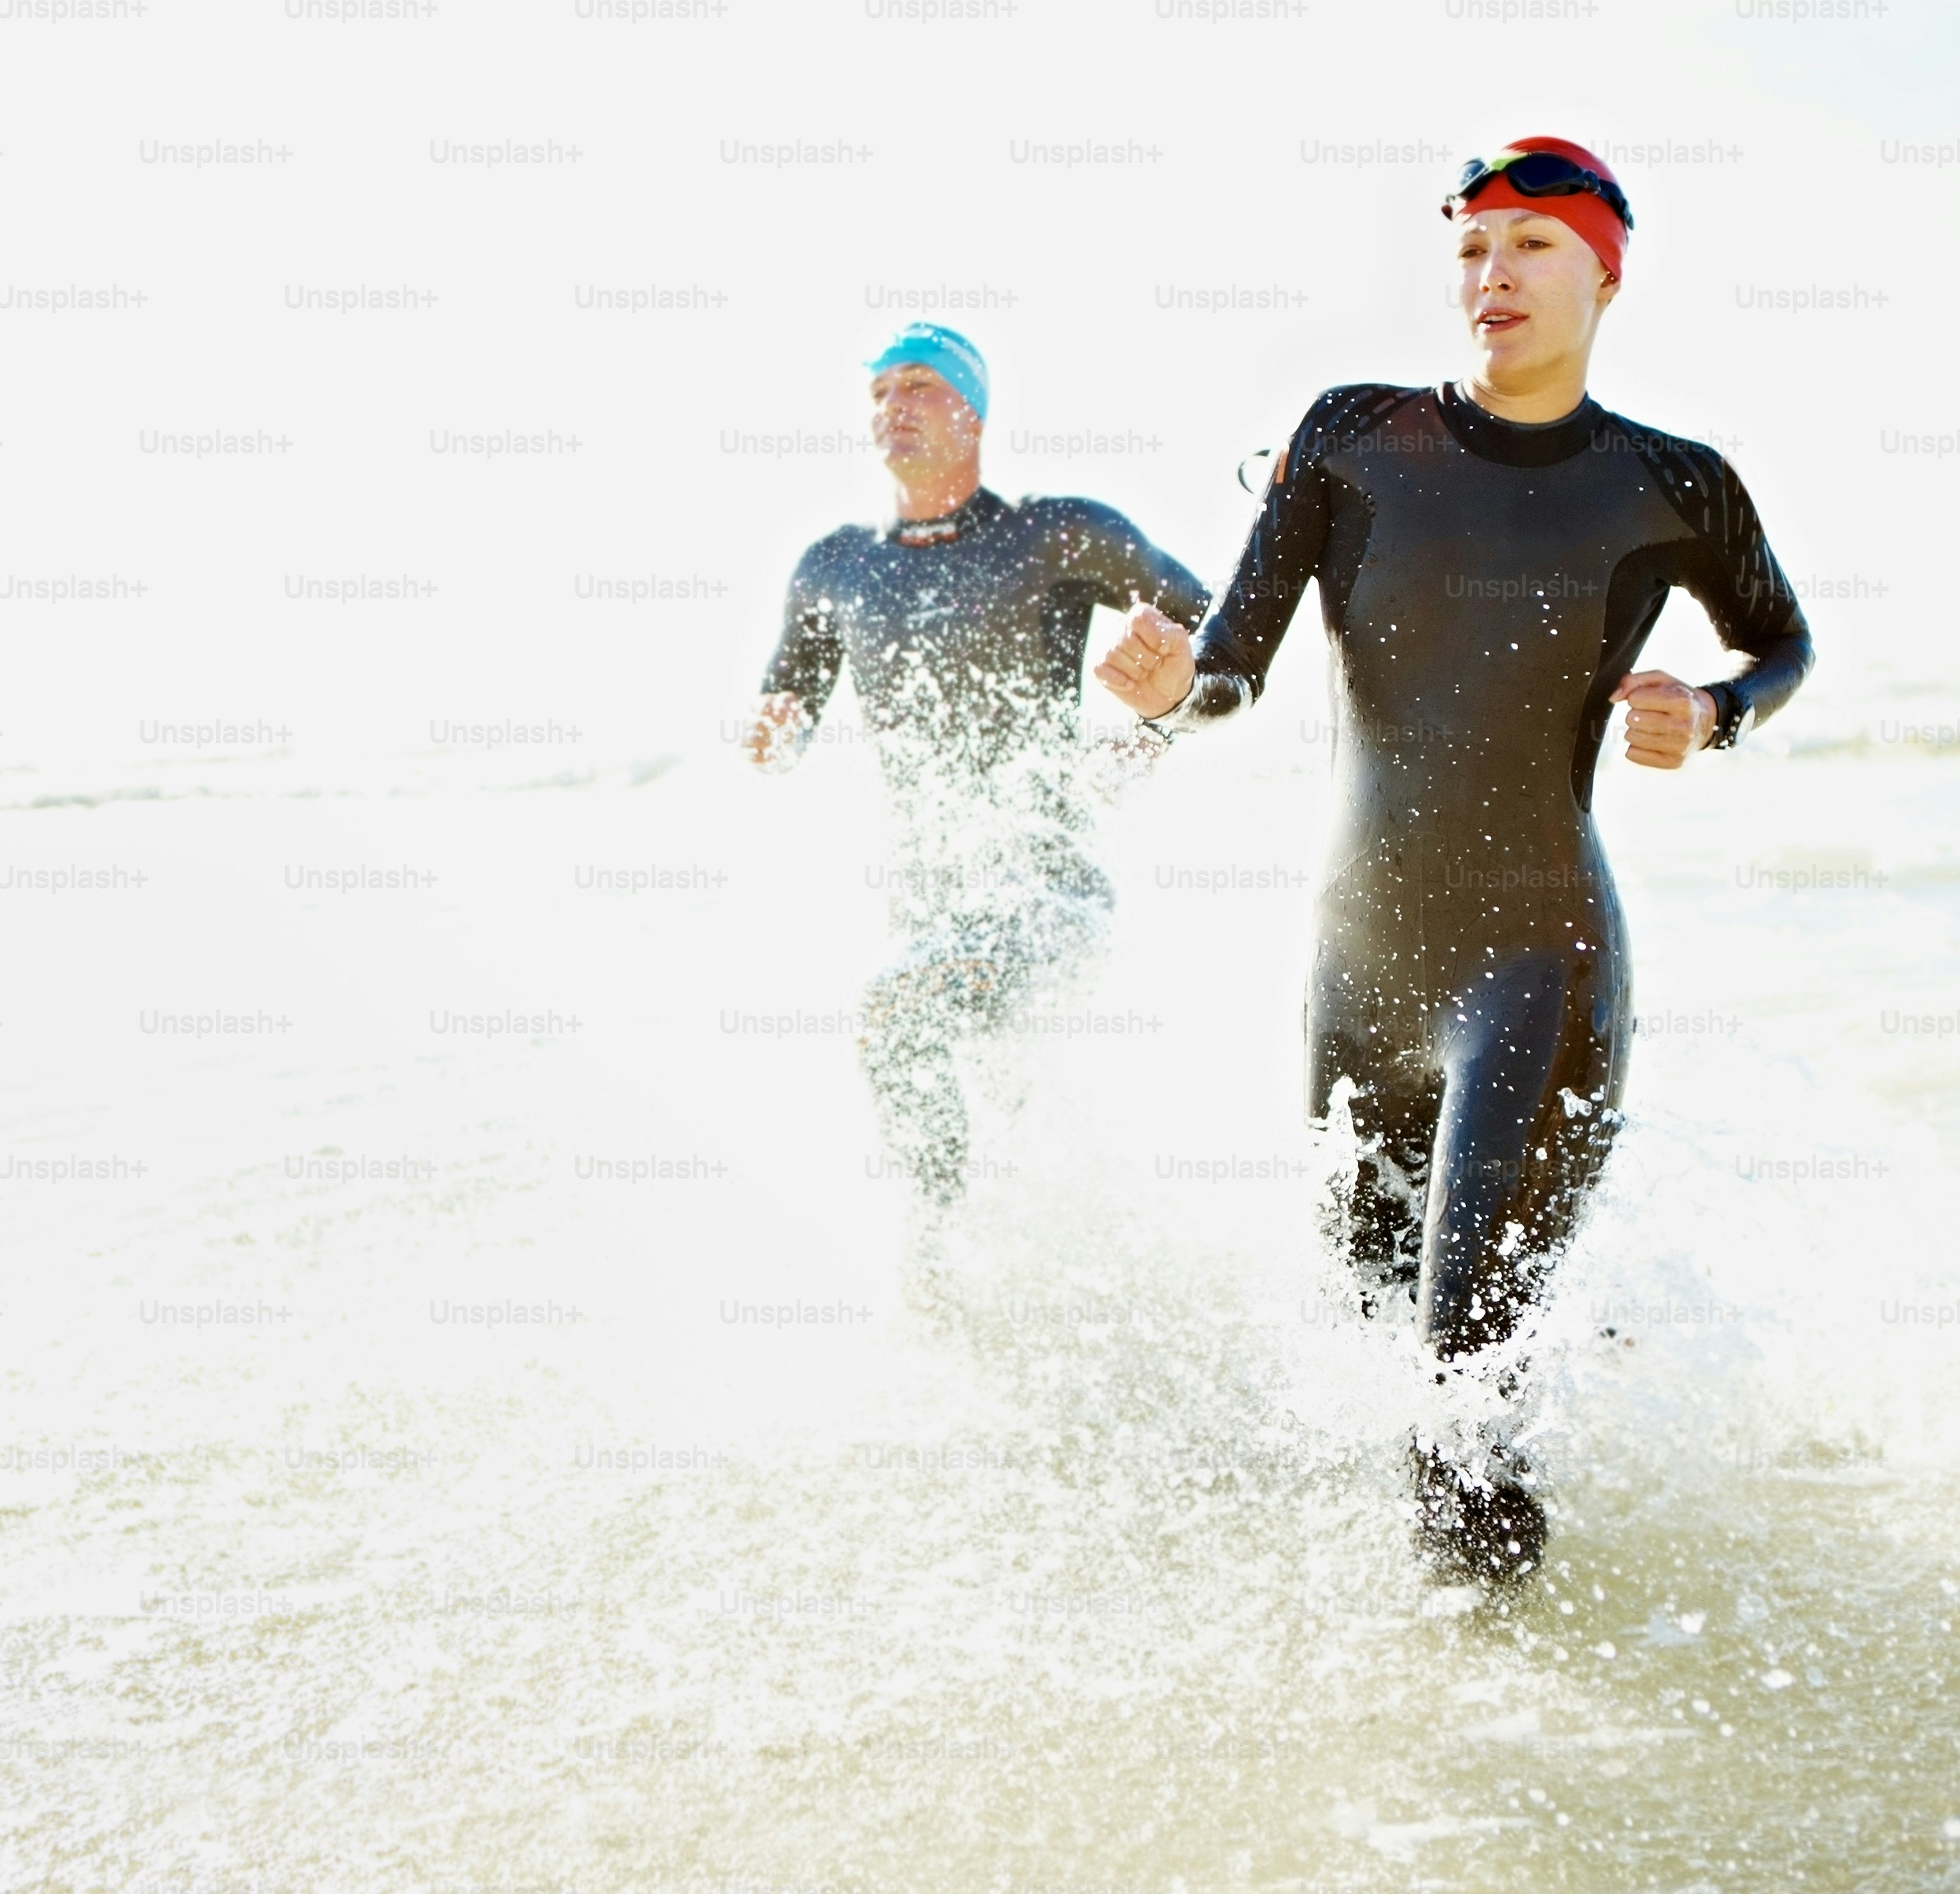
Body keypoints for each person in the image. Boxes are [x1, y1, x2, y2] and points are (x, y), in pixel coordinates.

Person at [1092, 140, 1814, 1583]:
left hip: (1534, 969)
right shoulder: (1352, 438)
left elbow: (1778, 643)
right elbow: (1231, 667)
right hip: (1357, 976)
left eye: (1531, 248)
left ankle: (1500, 1729)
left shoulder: (1670, 483)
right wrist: (1169, 689)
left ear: (1605, 273)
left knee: (1455, 1392)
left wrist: (1713, 715)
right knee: (1383, 1357)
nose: (1493, 279)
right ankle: (1446, 1682)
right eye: (1472, 253)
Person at [745, 324, 1209, 1223]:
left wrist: (1153, 727)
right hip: (929, 904)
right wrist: (767, 742)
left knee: (892, 1010)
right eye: (879, 391)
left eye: (919, 386)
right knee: (1012, 1130)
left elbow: (1224, 630)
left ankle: (933, 1259)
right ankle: (1016, 1289)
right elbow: (782, 720)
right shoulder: (836, 567)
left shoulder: (1056, 534)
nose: (893, 408)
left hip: (1047, 890)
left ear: (975, 408)